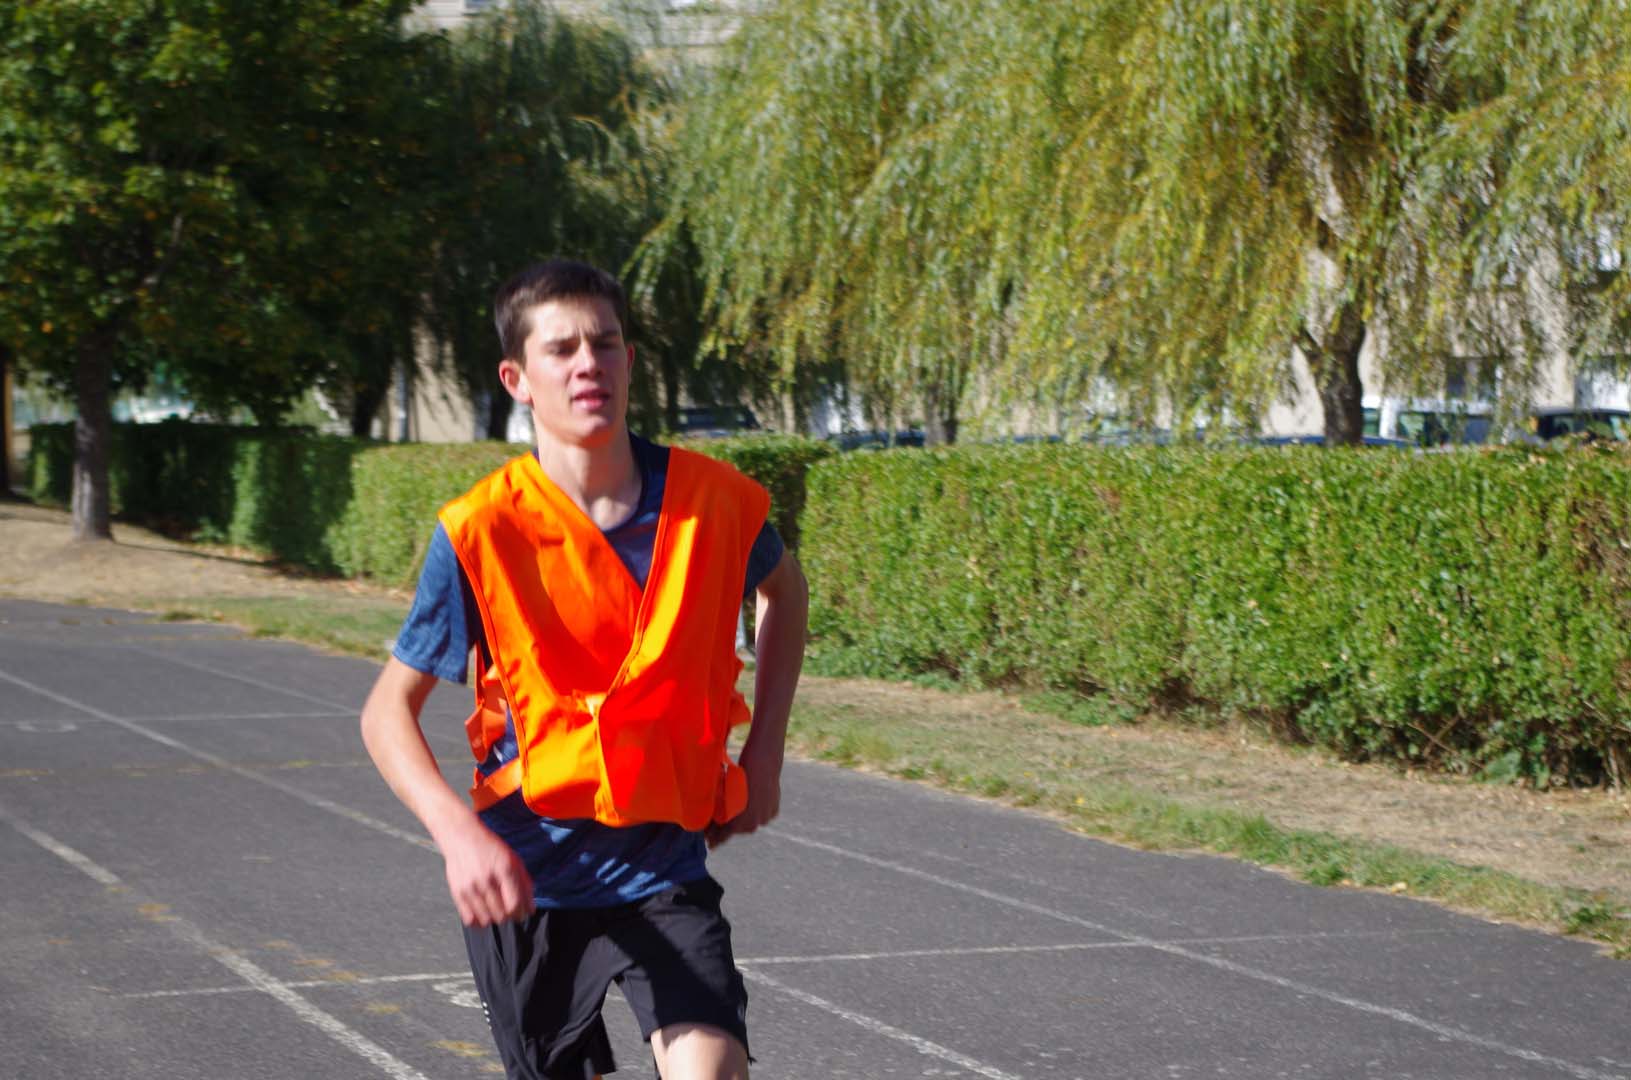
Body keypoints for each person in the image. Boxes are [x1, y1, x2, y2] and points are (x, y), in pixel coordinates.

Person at [360, 258, 807, 1080]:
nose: (586, 365)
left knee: (713, 1070)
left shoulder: (713, 503)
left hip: (662, 864)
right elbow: (386, 712)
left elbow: (784, 590)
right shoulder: (479, 531)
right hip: (528, 879)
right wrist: (459, 839)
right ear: (518, 378)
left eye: (603, 344)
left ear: (629, 362)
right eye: (560, 349)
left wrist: (765, 757)